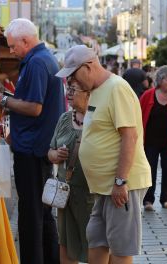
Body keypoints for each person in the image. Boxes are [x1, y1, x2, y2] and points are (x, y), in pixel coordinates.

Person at [56, 45, 151, 264]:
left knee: (119, 247)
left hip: (120, 185)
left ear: (88, 67)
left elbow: (130, 136)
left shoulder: (117, 88)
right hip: (102, 187)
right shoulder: (97, 90)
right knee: (96, 240)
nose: (72, 82)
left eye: (73, 75)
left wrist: (120, 181)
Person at [0, 18, 64, 263]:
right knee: (42, 213)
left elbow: (34, 107)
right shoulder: (42, 59)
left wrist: (4, 100)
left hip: (33, 149)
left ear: (26, 41)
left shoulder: (37, 62)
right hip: (37, 146)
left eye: (12, 45)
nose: (11, 51)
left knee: (31, 216)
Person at [48, 80, 94, 263]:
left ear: (88, 93)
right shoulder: (65, 118)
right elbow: (50, 151)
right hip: (65, 194)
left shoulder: (98, 118)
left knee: (94, 243)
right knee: (66, 242)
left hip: (90, 195)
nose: (69, 93)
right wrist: (56, 155)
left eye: (74, 90)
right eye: (68, 88)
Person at [140, 65, 167, 211]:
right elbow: (138, 114)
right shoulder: (148, 95)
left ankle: (166, 198)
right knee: (149, 170)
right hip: (150, 141)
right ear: (160, 80)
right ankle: (148, 200)